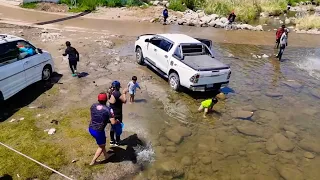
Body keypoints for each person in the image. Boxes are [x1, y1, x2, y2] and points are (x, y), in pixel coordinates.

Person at [88, 93, 117, 166]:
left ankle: (106, 155)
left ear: (98, 100)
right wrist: (117, 121)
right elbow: (113, 122)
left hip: (91, 128)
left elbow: (96, 116)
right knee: (101, 146)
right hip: (99, 131)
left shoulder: (93, 106)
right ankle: (93, 161)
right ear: (106, 100)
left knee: (102, 144)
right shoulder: (108, 109)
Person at [108, 81, 127, 146]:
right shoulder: (117, 93)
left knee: (112, 127)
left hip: (111, 113)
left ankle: (112, 141)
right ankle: (117, 141)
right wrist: (124, 93)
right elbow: (124, 101)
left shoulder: (110, 92)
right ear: (118, 87)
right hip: (117, 114)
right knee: (118, 127)